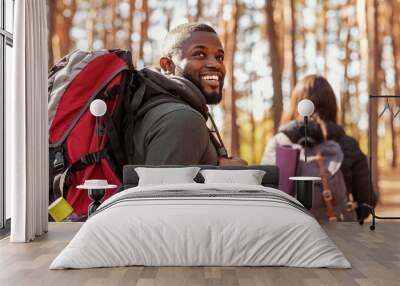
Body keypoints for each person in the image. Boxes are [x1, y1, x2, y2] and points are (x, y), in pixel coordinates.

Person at [128, 22, 247, 166]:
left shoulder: (170, 111)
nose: (215, 64)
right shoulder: (182, 118)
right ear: (168, 65)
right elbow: (165, 188)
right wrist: (231, 180)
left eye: (219, 57)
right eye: (199, 54)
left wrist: (220, 170)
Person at [261, 75, 376, 220]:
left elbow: (264, 198)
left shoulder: (279, 143)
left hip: (291, 236)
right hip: (338, 235)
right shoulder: (348, 144)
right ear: (332, 105)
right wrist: (346, 218)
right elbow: (368, 201)